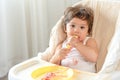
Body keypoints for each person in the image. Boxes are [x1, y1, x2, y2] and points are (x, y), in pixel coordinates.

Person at [39, 6, 99, 72]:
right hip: (66, 76)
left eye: (82, 27)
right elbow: (51, 68)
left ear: (88, 31)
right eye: (72, 26)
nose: (76, 30)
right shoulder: (61, 46)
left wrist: (77, 44)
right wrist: (56, 57)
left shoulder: (89, 41)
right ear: (65, 28)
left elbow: (94, 58)